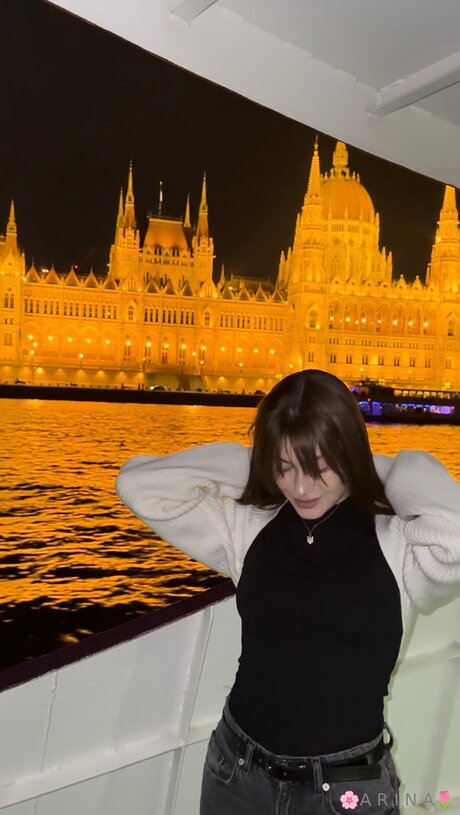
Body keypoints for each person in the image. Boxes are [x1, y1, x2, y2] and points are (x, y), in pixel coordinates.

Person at [115, 369, 460, 815]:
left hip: (347, 790)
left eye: (318, 468)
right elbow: (138, 485)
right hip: (237, 774)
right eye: (284, 468)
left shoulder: (397, 542)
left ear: (349, 451)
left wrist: (374, 470)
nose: (300, 487)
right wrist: (260, 462)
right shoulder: (250, 527)